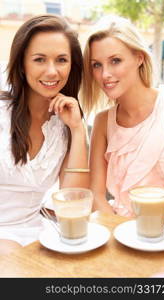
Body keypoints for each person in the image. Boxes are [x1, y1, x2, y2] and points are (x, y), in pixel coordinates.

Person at [82, 15, 164, 232]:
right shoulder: (102, 122)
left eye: (115, 61)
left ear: (139, 58)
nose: (105, 74)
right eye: (96, 65)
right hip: (122, 236)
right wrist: (122, 236)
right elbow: (96, 196)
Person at [0, 14, 90, 255]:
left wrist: (78, 129)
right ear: (21, 63)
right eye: (39, 59)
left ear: (72, 66)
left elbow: (73, 203)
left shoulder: (66, 123)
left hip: (39, 237)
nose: (52, 71)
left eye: (61, 60)